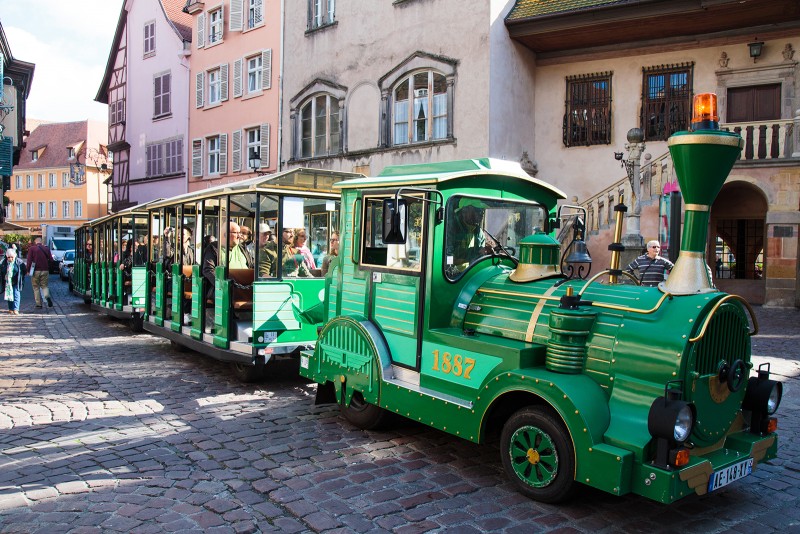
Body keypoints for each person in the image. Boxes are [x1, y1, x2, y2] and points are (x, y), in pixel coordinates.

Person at [446, 197, 495, 274]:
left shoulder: (479, 232)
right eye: (477, 210)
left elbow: (480, 256)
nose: (481, 213)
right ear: (464, 211)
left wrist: (487, 251)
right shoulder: (450, 229)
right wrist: (477, 252)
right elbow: (448, 259)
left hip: (471, 273)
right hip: (453, 276)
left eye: (482, 210)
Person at [26, 236, 54, 308]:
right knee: (44, 286)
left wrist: (28, 270)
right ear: (41, 242)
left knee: (36, 287)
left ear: (35, 242)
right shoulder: (46, 249)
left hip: (35, 270)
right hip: (45, 270)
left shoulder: (32, 249)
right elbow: (51, 260)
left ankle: (38, 304)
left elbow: (29, 260)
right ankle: (47, 296)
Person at [1, 247, 27, 315]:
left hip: (16, 281)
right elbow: (1, 271)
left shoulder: (19, 262)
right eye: (8, 257)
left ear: (14, 256)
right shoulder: (3, 262)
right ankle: (10, 309)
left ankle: (16, 309)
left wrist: (21, 277)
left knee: (16, 294)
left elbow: (24, 270)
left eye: (11, 257)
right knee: (9, 295)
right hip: (8, 282)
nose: (10, 259)